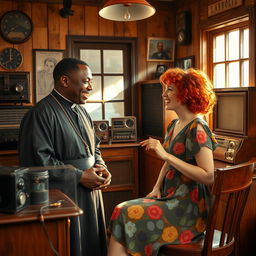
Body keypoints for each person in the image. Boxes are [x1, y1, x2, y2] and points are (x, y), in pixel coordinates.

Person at [107, 68, 217, 256]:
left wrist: (165, 155)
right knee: (120, 211)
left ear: (186, 93)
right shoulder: (175, 124)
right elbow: (169, 163)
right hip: (168, 197)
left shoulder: (197, 128)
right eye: (165, 89)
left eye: (170, 90)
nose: (164, 94)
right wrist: (157, 187)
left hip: (188, 209)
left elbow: (209, 176)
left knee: (125, 211)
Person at [19, 58, 111, 256]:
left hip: (91, 190)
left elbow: (94, 148)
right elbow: (38, 162)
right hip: (64, 193)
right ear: (65, 81)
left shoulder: (83, 111)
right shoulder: (39, 114)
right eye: (86, 81)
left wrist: (102, 167)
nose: (90, 87)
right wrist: (79, 176)